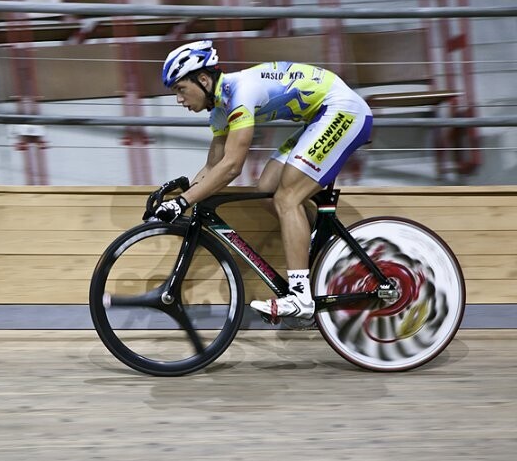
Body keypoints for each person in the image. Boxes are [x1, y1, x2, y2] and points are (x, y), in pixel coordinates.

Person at [153, 40, 373, 322]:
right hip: (320, 117)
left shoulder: (240, 93)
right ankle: (317, 251)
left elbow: (232, 167)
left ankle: (300, 297)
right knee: (268, 189)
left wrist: (183, 202)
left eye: (181, 89)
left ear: (204, 79)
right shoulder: (220, 109)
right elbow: (213, 167)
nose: (179, 99)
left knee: (287, 197)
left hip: (343, 111)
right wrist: (176, 204)